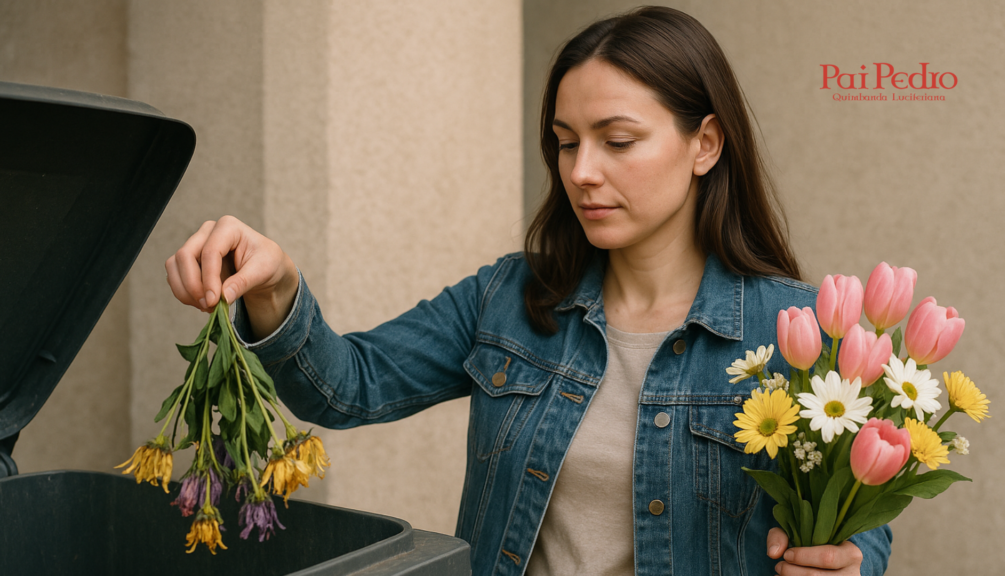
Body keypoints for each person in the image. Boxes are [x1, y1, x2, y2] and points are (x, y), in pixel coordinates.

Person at [165, 6, 891, 576]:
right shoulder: (509, 298)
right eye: (566, 141)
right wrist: (279, 281)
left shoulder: (798, 329)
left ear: (705, 143)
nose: (580, 171)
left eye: (617, 139)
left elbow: (859, 519)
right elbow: (345, 388)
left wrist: (853, 562)